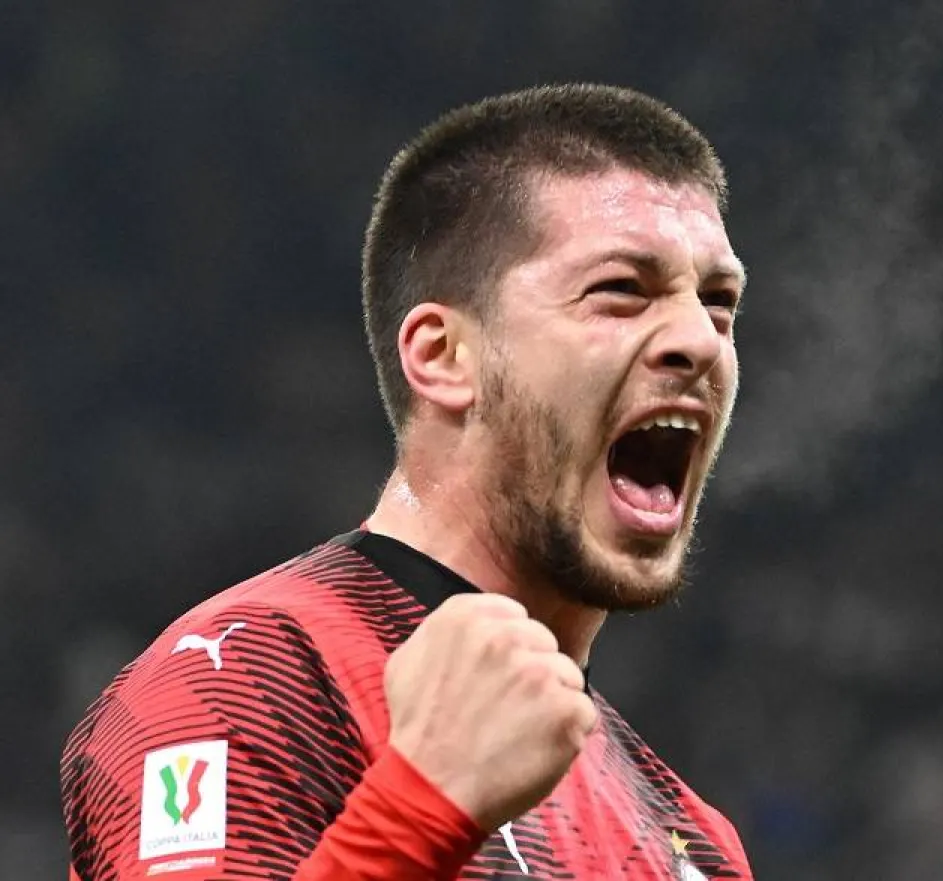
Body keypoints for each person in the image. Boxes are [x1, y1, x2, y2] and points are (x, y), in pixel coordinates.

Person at [60, 83, 753, 880]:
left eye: (719, 303)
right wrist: (425, 804)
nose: (699, 341)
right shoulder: (249, 682)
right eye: (622, 291)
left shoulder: (692, 838)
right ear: (443, 355)